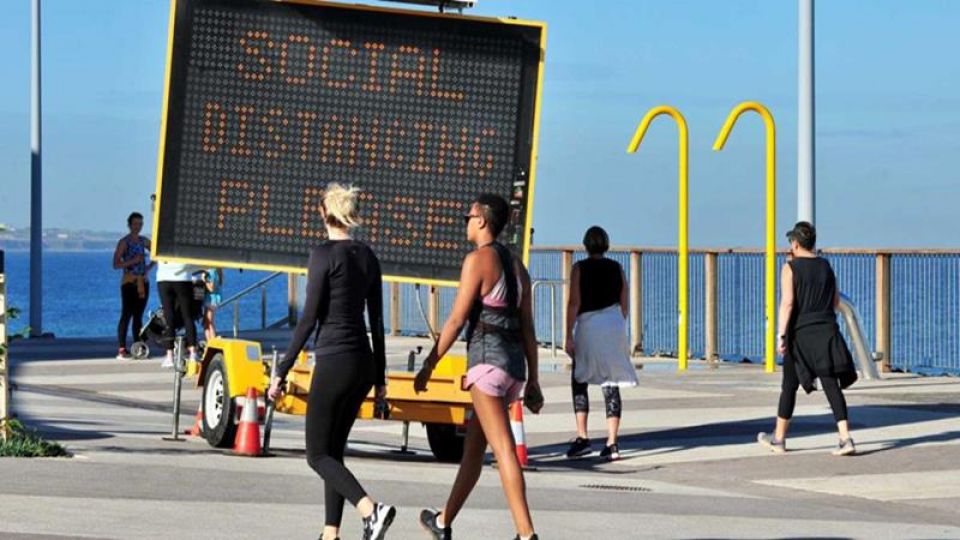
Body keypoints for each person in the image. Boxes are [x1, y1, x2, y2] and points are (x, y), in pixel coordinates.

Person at [267, 183, 395, 540]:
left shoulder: (322, 255)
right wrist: (380, 379)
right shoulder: (368, 256)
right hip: (362, 364)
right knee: (333, 452)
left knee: (317, 455)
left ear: (325, 214)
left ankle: (371, 510)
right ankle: (330, 534)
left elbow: (308, 319)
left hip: (334, 360)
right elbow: (377, 322)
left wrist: (281, 371)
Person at [414, 194, 543, 540]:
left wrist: (429, 365)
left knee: (504, 449)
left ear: (482, 221)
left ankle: (526, 534)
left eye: (468, 217)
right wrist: (533, 380)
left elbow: (456, 320)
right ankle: (443, 522)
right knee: (473, 450)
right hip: (513, 367)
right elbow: (528, 328)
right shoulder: (518, 268)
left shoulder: (477, 261)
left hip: (487, 365)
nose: (466, 222)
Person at [758, 221, 858, 456]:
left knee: (789, 386)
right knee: (831, 384)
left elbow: (787, 303)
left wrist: (781, 335)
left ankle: (779, 439)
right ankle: (845, 438)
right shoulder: (826, 266)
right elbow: (835, 302)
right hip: (826, 331)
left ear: (795, 243)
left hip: (800, 335)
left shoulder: (789, 268)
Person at [564, 226, 638, 461]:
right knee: (611, 381)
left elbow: (574, 303)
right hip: (613, 324)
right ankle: (612, 442)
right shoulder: (617, 267)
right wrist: (617, 321)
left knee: (580, 378)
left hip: (589, 325)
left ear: (586, 245)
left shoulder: (579, 268)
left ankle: (582, 437)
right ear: (606, 245)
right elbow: (624, 300)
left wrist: (568, 334)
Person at [113, 212, 154, 360]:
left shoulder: (144, 241)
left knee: (138, 316)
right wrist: (133, 261)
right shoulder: (124, 242)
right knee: (126, 314)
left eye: (140, 224)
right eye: (135, 224)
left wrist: (149, 267)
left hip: (143, 282)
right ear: (129, 225)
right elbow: (116, 264)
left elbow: (156, 252)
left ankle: (138, 347)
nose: (138, 227)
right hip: (129, 282)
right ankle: (122, 349)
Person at [155, 261, 202, 369]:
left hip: (164, 278)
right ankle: (193, 352)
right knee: (187, 316)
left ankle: (169, 355)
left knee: (169, 316)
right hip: (183, 278)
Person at [201, 268, 223, 342]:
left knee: (209, 321)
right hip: (212, 299)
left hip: (211, 300)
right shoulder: (214, 271)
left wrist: (204, 280)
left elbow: (211, 288)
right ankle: (209, 340)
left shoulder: (210, 272)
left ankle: (212, 340)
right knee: (206, 322)